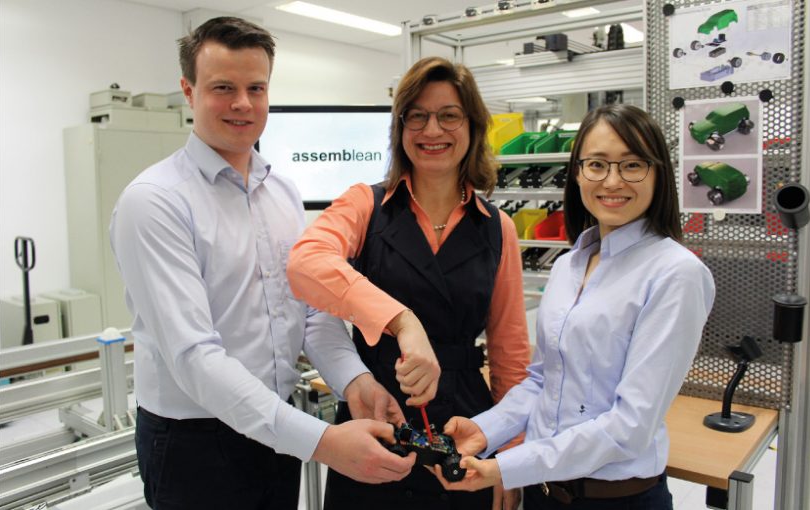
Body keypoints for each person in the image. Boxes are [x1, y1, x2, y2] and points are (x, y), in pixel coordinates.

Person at [110, 17, 416, 510]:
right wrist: (321, 442)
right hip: (196, 442)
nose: (243, 104)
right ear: (188, 91)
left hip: (276, 430)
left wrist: (354, 381)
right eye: (222, 88)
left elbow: (314, 314)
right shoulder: (155, 201)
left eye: (256, 87)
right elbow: (194, 357)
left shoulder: (283, 193)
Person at [429, 104, 716, 509]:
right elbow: (544, 381)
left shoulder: (675, 273)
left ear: (658, 173)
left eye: (632, 165)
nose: (612, 181)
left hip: (617, 500)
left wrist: (508, 466)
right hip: (545, 492)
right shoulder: (568, 265)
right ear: (578, 172)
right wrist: (484, 429)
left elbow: (629, 427)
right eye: (596, 164)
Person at [287, 56, 531, 510]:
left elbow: (510, 355)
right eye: (416, 116)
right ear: (400, 129)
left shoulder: (499, 229)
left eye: (449, 116)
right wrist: (403, 322)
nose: (431, 130)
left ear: (474, 126)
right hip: (375, 416)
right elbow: (306, 263)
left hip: (466, 429)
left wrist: (512, 460)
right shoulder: (366, 204)